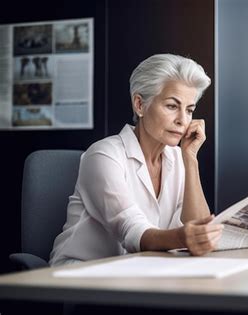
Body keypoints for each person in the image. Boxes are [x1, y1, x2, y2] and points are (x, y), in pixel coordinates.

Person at [49, 54, 223, 266]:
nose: (182, 120)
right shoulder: (103, 155)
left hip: (139, 269)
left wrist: (190, 158)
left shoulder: (178, 158)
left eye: (189, 110)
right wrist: (182, 237)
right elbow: (131, 230)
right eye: (171, 106)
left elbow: (197, 229)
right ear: (140, 105)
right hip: (81, 272)